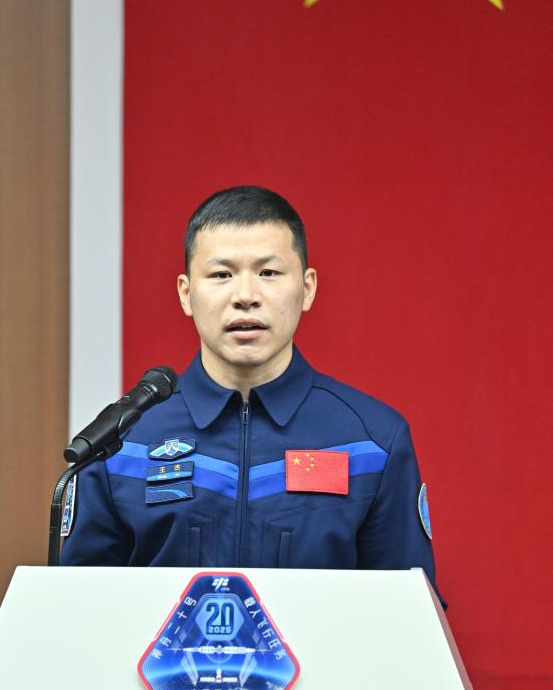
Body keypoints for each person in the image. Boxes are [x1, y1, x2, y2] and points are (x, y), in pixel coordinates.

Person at [60, 185, 444, 608]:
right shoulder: (122, 442)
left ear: (308, 288)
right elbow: (79, 612)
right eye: (221, 275)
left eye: (269, 273)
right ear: (186, 294)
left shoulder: (372, 441)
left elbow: (407, 618)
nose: (245, 296)